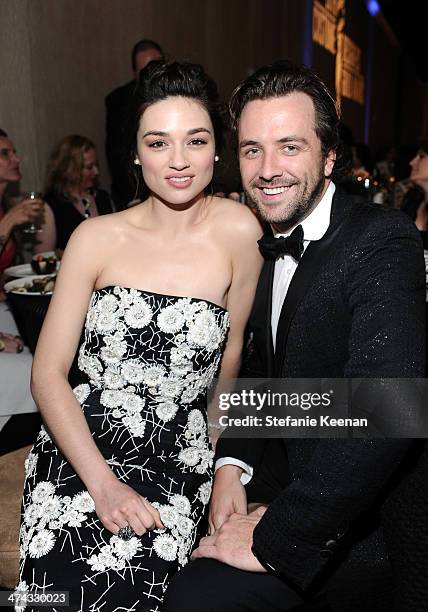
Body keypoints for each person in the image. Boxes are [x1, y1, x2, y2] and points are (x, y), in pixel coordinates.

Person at [164, 62, 425, 611]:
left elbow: (392, 408)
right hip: (264, 483)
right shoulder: (256, 238)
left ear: (330, 156)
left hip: (340, 527)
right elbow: (260, 369)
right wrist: (230, 466)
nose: (266, 169)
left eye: (289, 147)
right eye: (252, 149)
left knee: (190, 600)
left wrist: (277, 536)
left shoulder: (379, 239)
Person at [16, 61, 263, 610]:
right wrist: (103, 487)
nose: (178, 161)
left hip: (180, 454)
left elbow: (231, 366)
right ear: (134, 152)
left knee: (147, 589)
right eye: (158, 142)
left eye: (195, 141)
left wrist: (227, 469)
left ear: (216, 150)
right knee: (70, 586)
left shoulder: (240, 232)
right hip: (82, 448)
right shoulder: (94, 237)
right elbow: (47, 374)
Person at [105, 39, 165, 210]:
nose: (152, 73)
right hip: (135, 192)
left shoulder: (178, 94)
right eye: (146, 70)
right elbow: (117, 154)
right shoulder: (118, 101)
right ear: (135, 74)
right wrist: (134, 195)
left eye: (158, 65)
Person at [0, 129, 41, 353]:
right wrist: (8, 222)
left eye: (14, 152)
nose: (16, 159)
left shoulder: (5, 204)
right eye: (5, 154)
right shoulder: (8, 214)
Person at [40, 135, 113, 250]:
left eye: (96, 165)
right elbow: (43, 257)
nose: (96, 172)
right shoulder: (51, 205)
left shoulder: (102, 197)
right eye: (89, 167)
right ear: (69, 168)